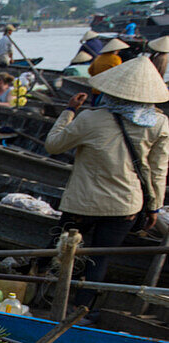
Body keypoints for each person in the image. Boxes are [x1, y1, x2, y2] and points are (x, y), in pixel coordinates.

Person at [45, 57, 169, 315]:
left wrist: (69, 112)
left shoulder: (91, 119)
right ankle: (82, 309)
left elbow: (53, 145)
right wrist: (154, 209)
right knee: (99, 258)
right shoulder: (159, 124)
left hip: (82, 203)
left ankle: (43, 297)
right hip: (126, 206)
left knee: (59, 250)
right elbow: (158, 170)